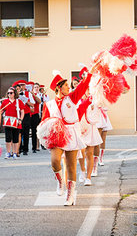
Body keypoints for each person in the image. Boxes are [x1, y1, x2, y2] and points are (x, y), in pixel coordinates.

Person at [40, 68, 92, 206]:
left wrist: (90, 73)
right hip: (57, 135)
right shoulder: (48, 104)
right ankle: (60, 181)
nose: (69, 87)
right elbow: (44, 122)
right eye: (66, 85)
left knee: (71, 165)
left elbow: (83, 86)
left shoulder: (72, 98)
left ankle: (70, 195)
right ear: (59, 88)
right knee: (55, 160)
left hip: (71, 133)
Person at [0, 87, 24, 159]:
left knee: (16, 139)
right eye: (8, 93)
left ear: (14, 93)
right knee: (8, 138)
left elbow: (22, 111)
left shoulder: (19, 102)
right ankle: (8, 152)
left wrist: (20, 120)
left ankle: (15, 153)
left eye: (11, 93)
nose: (9, 94)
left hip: (16, 122)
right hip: (8, 122)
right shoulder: (5, 102)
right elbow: (1, 111)